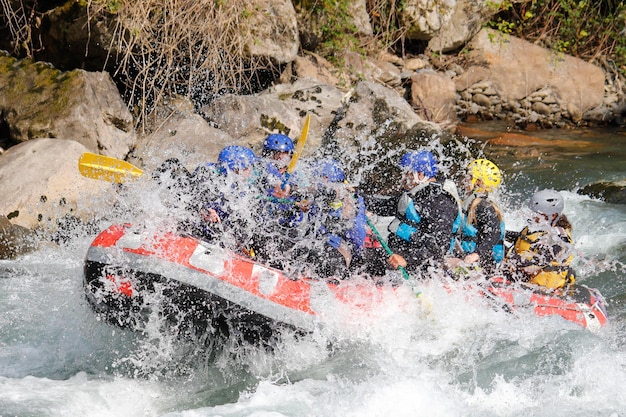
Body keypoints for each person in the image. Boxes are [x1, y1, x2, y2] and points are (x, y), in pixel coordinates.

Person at [364, 150, 460, 274]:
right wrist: (357, 198)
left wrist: (407, 259)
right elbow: (383, 206)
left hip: (422, 266)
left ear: (420, 174)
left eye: (407, 174)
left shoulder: (440, 202)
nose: (403, 178)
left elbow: (440, 245)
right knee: (361, 258)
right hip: (398, 254)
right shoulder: (416, 194)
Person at [507, 189, 576, 289]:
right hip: (528, 280)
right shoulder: (543, 229)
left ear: (553, 215)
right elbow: (523, 240)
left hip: (545, 288)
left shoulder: (560, 238)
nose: (533, 217)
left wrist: (508, 259)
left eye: (537, 215)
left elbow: (539, 260)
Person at [447, 158, 506, 274]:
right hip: (473, 261)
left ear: (478, 182)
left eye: (469, 177)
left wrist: (477, 254)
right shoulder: (472, 202)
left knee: (440, 263)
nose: (465, 180)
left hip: (484, 265)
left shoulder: (483, 206)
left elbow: (494, 233)